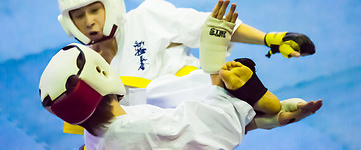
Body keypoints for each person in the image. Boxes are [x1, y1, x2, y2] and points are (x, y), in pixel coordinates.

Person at [56, 0, 316, 134]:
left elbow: (214, 28)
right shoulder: (78, 68)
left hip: (203, 105)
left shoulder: (147, 17)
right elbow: (97, 130)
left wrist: (271, 39)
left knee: (158, 92)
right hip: (162, 139)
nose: (89, 21)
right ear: (69, 21)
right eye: (79, 15)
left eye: (94, 10)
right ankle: (263, 115)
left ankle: (260, 111)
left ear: (109, 4)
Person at [39, 43, 322, 150]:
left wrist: (266, 120)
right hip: (216, 128)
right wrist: (236, 91)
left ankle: (257, 109)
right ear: (102, 74)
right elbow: (212, 131)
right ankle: (248, 97)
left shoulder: (99, 136)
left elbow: (179, 126)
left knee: (162, 96)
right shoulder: (134, 130)